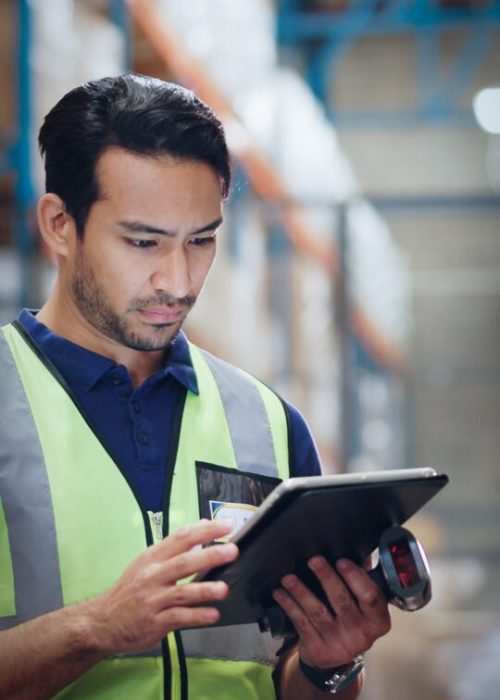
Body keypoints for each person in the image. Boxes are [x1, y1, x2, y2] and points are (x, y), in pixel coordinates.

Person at [0, 74, 390, 700]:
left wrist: (328, 666)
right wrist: (96, 628)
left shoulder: (268, 423)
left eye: (202, 241)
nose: (177, 281)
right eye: (143, 242)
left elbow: (286, 680)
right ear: (59, 225)